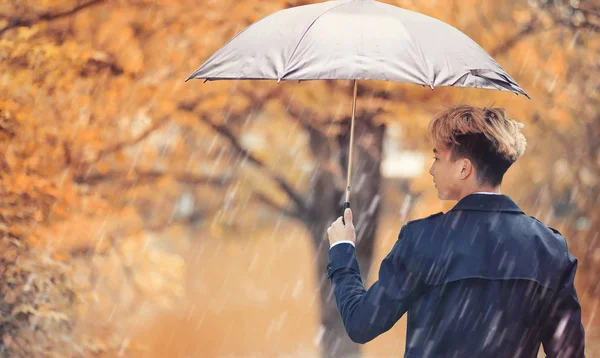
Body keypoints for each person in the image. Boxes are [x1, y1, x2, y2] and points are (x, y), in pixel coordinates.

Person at [326, 105, 585, 357]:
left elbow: (361, 323)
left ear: (464, 169)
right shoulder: (549, 248)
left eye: (437, 157)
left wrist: (342, 251)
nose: (431, 168)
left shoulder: (423, 240)